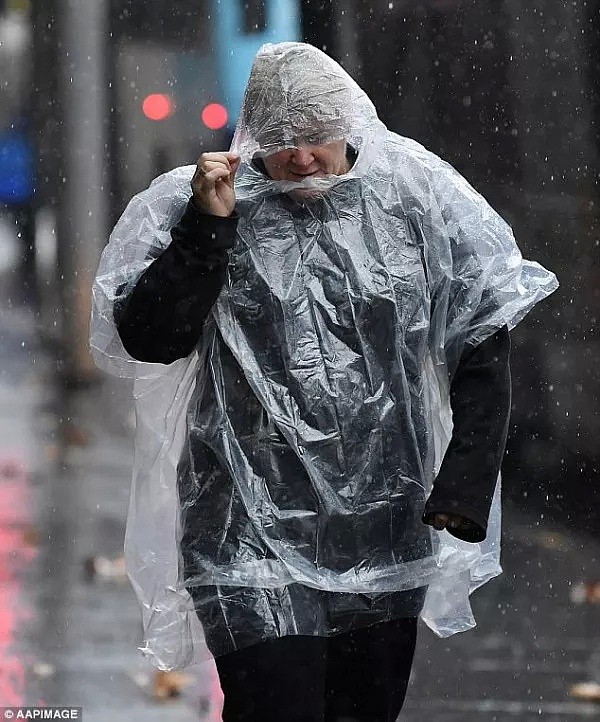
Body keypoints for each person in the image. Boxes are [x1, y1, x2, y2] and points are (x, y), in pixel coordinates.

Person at [91, 42, 558, 722]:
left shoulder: (416, 197)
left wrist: (464, 479)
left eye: (316, 137)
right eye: (282, 140)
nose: (302, 156)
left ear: (350, 127)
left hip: (382, 523)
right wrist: (206, 229)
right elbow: (150, 335)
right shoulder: (206, 202)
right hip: (243, 531)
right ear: (252, 139)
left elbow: (483, 330)